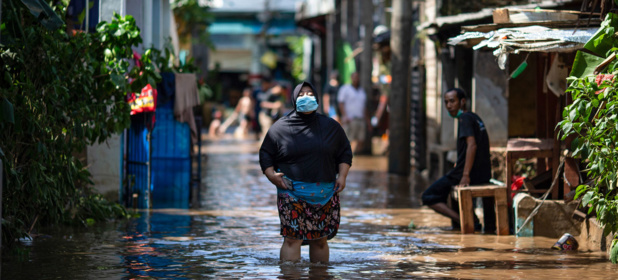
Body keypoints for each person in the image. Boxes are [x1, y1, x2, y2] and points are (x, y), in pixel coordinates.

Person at [259, 81, 352, 263]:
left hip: (324, 193)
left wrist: (342, 175)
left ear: (316, 98)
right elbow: (265, 153)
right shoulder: (280, 127)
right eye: (301, 95)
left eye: (310, 94)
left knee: (319, 240)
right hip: (291, 192)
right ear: (294, 99)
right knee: (292, 239)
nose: (306, 98)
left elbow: (345, 152)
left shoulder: (331, 127)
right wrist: (271, 175)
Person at [421, 88, 495, 232]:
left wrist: (465, 174)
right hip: (483, 173)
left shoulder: (465, 119)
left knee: (428, 196)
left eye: (452, 101)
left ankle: (466, 219)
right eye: (446, 102)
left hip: (469, 174)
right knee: (446, 190)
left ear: (462, 102)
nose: (449, 105)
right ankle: (466, 221)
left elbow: (472, 145)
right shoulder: (474, 117)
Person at [337, 72, 368, 154]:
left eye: (357, 77)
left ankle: (355, 158)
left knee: (361, 140)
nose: (355, 79)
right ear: (351, 78)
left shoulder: (362, 91)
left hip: (360, 119)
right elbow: (341, 103)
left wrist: (367, 121)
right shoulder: (345, 89)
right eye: (354, 77)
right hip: (350, 119)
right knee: (349, 139)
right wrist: (345, 116)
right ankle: (347, 158)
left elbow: (364, 107)